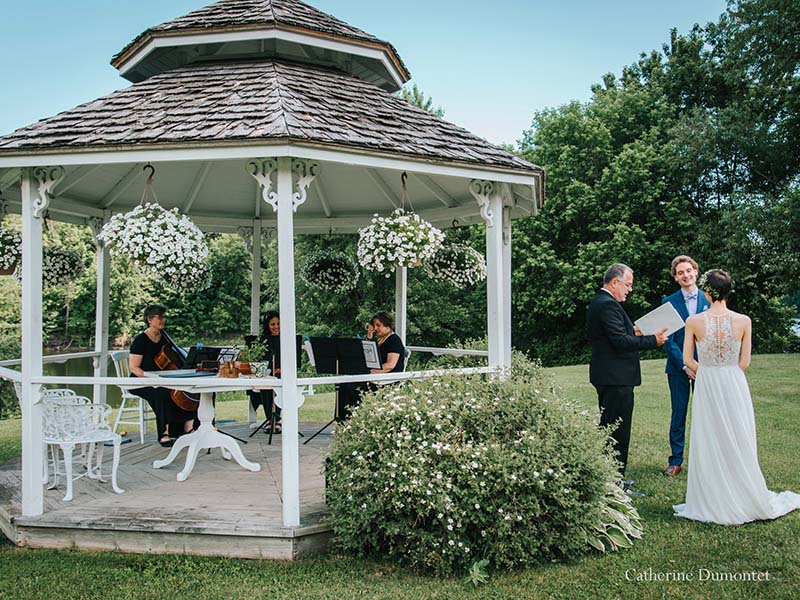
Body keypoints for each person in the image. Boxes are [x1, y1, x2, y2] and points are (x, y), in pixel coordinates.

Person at [674, 270, 800, 524]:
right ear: (728, 291)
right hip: (734, 382)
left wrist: (708, 372)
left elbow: (688, 360)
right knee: (738, 433)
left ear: (707, 292)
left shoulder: (694, 321)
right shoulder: (744, 320)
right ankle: (744, 492)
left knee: (710, 434)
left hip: (708, 383)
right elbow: (744, 362)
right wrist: (725, 371)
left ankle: (711, 497)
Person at [586, 263, 667, 494]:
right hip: (615, 378)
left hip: (612, 376)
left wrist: (634, 331)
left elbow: (618, 334)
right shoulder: (606, 305)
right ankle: (614, 484)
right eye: (628, 284)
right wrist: (653, 340)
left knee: (612, 428)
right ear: (614, 282)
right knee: (616, 431)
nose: (630, 290)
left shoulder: (603, 303)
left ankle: (613, 478)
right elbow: (619, 342)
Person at [660, 255, 710, 476]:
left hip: (706, 368)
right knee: (678, 414)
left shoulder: (710, 299)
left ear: (696, 272)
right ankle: (676, 460)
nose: (685, 275)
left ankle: (707, 460)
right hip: (677, 369)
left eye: (688, 270)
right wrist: (684, 364)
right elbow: (667, 340)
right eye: (680, 272)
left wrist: (701, 365)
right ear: (676, 277)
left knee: (707, 414)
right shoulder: (668, 303)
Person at [129, 304, 198, 447]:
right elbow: (134, 368)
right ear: (149, 319)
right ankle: (164, 433)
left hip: (161, 379)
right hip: (140, 380)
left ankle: (188, 427)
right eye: (159, 317)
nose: (163, 320)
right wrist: (150, 378)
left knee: (188, 390)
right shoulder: (140, 340)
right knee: (161, 392)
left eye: (164, 317)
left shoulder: (165, 338)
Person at [338, 311, 406, 419]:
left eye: (378, 325)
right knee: (343, 384)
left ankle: (355, 419)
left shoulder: (394, 341)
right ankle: (343, 421)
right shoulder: (380, 340)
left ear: (387, 325)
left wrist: (373, 371)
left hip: (387, 379)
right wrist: (369, 336)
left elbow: (390, 365)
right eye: (374, 325)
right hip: (375, 376)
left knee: (352, 387)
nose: (375, 328)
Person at [247, 310, 282, 434]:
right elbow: (259, 359)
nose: (276, 327)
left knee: (278, 381)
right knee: (265, 383)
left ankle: (277, 418)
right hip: (267, 372)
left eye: (278, 323)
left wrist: (281, 369)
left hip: (283, 373)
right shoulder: (262, 341)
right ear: (267, 326)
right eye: (273, 324)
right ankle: (269, 418)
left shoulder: (287, 339)